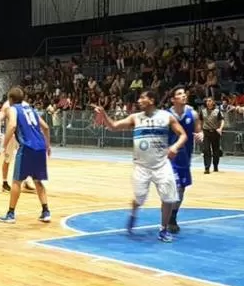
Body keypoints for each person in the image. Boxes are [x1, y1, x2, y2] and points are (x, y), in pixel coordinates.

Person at [95, 90, 188, 242]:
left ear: (151, 100)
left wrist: (175, 147)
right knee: (139, 198)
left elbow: (183, 135)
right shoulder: (135, 118)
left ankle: (163, 229)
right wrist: (104, 113)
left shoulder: (166, 116)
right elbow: (113, 126)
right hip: (141, 167)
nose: (139, 100)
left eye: (142, 97)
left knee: (169, 197)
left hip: (161, 164)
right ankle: (133, 214)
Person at [0, 87, 51, 224]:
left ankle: (11, 214)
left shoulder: (13, 109)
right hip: (40, 147)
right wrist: (48, 145)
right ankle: (46, 211)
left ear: (10, 99)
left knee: (16, 181)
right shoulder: (31, 109)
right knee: (38, 180)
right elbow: (45, 127)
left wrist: (3, 146)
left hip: (27, 147)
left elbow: (12, 126)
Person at [169, 86, 203, 233]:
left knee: (181, 189)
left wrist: (201, 135)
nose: (184, 95)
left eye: (184, 93)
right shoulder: (166, 115)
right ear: (173, 99)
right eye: (179, 94)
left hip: (184, 157)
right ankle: (168, 218)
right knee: (173, 187)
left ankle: (172, 217)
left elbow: (198, 130)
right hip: (169, 157)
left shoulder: (193, 114)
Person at [0, 96, 35, 193]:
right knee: (7, 159)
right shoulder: (7, 105)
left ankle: (26, 180)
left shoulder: (25, 105)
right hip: (11, 135)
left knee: (26, 157)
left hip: (22, 135)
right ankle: (4, 182)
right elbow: (0, 117)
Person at [199, 96, 223, 174]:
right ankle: (207, 168)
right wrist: (200, 131)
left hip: (215, 132)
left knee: (216, 151)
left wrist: (220, 128)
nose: (208, 102)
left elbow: (222, 120)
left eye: (210, 101)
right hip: (206, 132)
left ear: (213, 102)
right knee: (206, 150)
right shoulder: (202, 111)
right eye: (207, 101)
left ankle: (215, 166)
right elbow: (200, 121)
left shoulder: (217, 111)